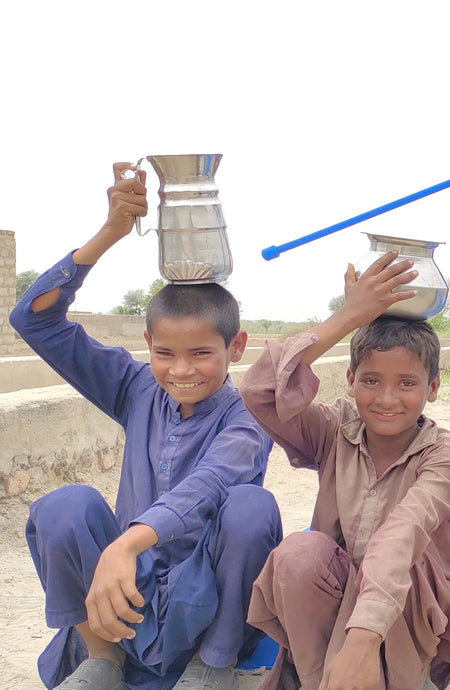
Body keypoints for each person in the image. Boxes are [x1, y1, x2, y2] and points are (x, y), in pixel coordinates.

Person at [8, 163, 282, 690]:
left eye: (201, 353)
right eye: (165, 354)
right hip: (123, 599)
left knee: (252, 508)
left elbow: (210, 486)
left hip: (204, 602)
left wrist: (127, 542)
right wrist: (111, 230)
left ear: (236, 347)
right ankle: (101, 658)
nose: (181, 371)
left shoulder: (246, 414)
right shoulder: (135, 387)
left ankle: (214, 664)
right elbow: (32, 320)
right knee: (62, 506)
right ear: (147, 345)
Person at [239, 252, 450, 690]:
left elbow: (400, 538)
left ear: (433, 388)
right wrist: (348, 317)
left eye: (406, 383)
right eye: (370, 381)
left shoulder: (441, 455)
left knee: (406, 559)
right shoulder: (333, 429)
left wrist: (362, 642)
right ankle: (318, 681)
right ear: (349, 379)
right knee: (299, 554)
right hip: (335, 603)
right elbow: (259, 390)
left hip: (408, 615)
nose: (386, 399)